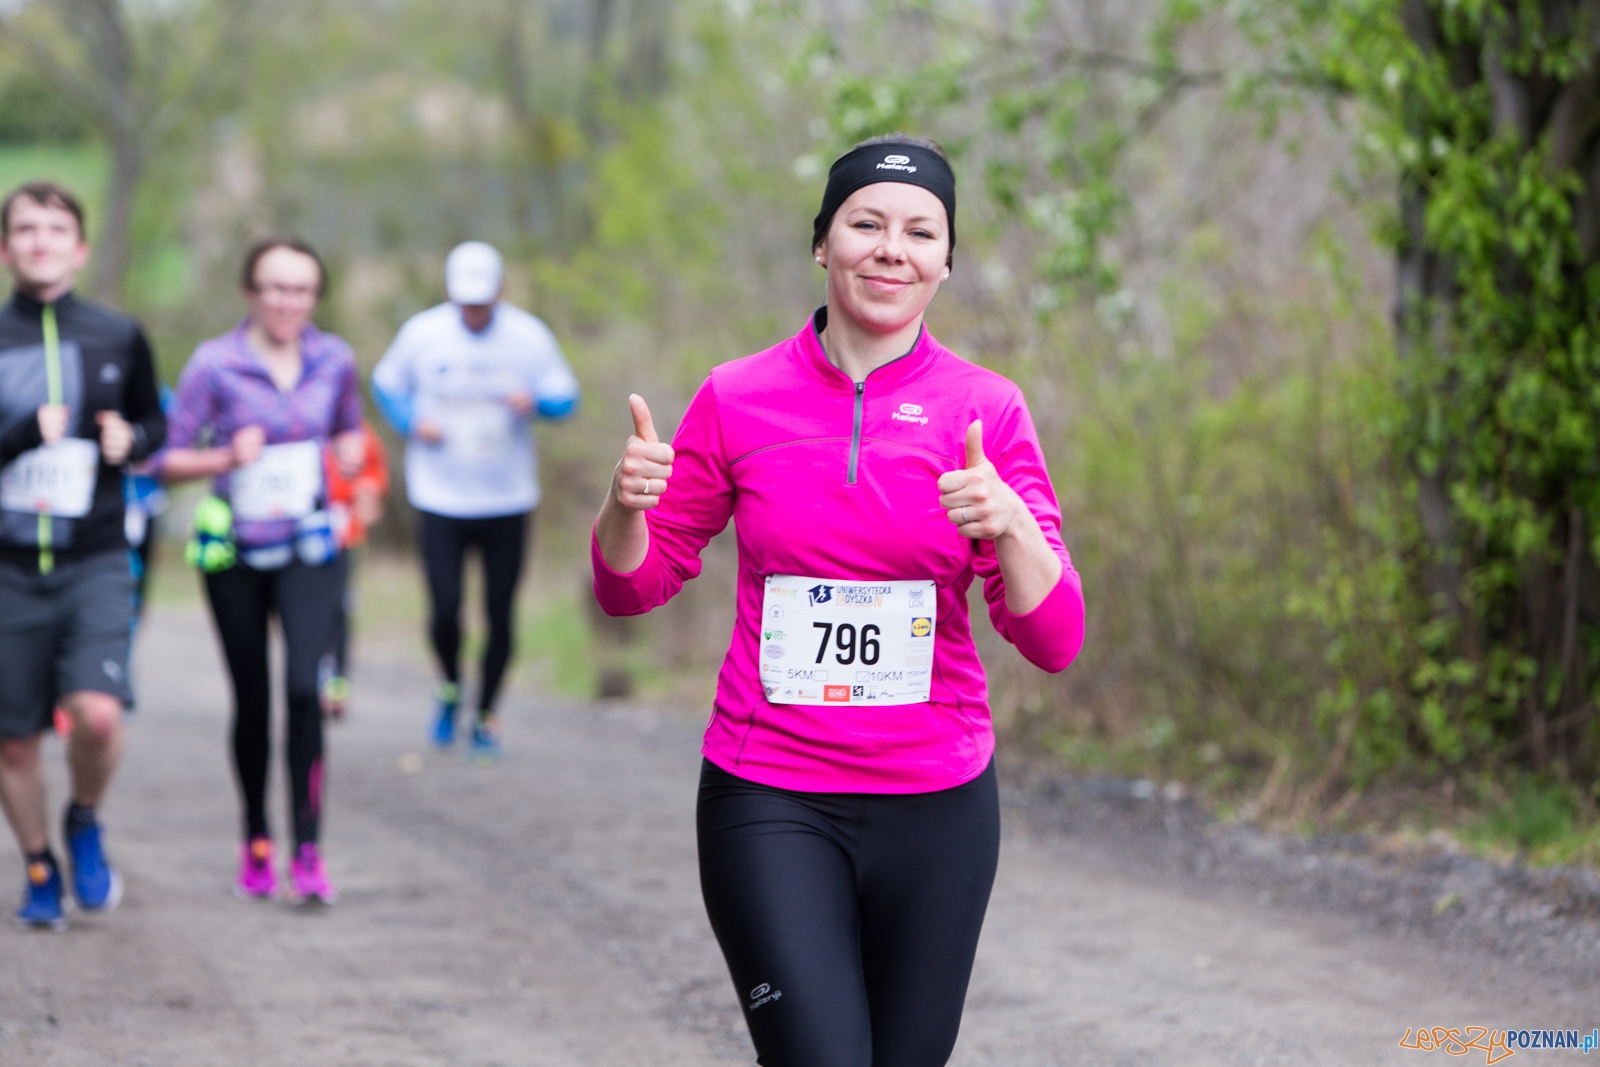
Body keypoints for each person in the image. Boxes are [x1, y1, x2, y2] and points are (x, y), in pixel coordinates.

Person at [591, 136, 1085, 1066]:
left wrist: (1011, 523)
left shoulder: (986, 409)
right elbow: (634, 584)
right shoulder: (738, 397)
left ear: (945, 262)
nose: (890, 248)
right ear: (824, 244)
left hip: (936, 802)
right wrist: (625, 507)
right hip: (770, 792)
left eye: (919, 231)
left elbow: (1054, 638)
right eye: (866, 223)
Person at [157, 236, 364, 905]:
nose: (287, 301)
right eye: (274, 287)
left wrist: (351, 455)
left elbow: (349, 432)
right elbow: (166, 458)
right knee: (254, 700)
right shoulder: (215, 364)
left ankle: (308, 847)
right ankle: (256, 836)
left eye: (300, 289)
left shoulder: (334, 358)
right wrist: (223, 459)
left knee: (305, 690)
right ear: (250, 292)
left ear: (315, 297)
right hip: (237, 553)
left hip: (311, 546)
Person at [0, 181, 166, 929]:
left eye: (56, 228)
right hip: (6, 566)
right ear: (5, 248)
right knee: (13, 740)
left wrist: (135, 440)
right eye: (26, 229)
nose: (41, 241)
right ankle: (39, 866)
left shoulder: (116, 334)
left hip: (95, 558)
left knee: (96, 715)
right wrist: (23, 436)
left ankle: (86, 818)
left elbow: (155, 421)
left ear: (81, 246)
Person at [371, 241, 579, 761]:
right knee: (444, 608)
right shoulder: (423, 334)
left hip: (507, 497)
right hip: (439, 494)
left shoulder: (528, 336)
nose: (474, 312)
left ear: (500, 292)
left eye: (483, 302)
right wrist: (409, 421)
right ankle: (448, 688)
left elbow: (565, 395)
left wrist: (538, 402)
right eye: (466, 302)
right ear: (449, 293)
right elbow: (385, 383)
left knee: (500, 612)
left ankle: (487, 712)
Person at [317, 419, 389, 718]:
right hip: (294, 534)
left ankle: (336, 683)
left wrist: (369, 493)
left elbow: (374, 476)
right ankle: (310, 678)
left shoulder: (357, 428)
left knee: (339, 608)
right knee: (308, 610)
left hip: (343, 537)